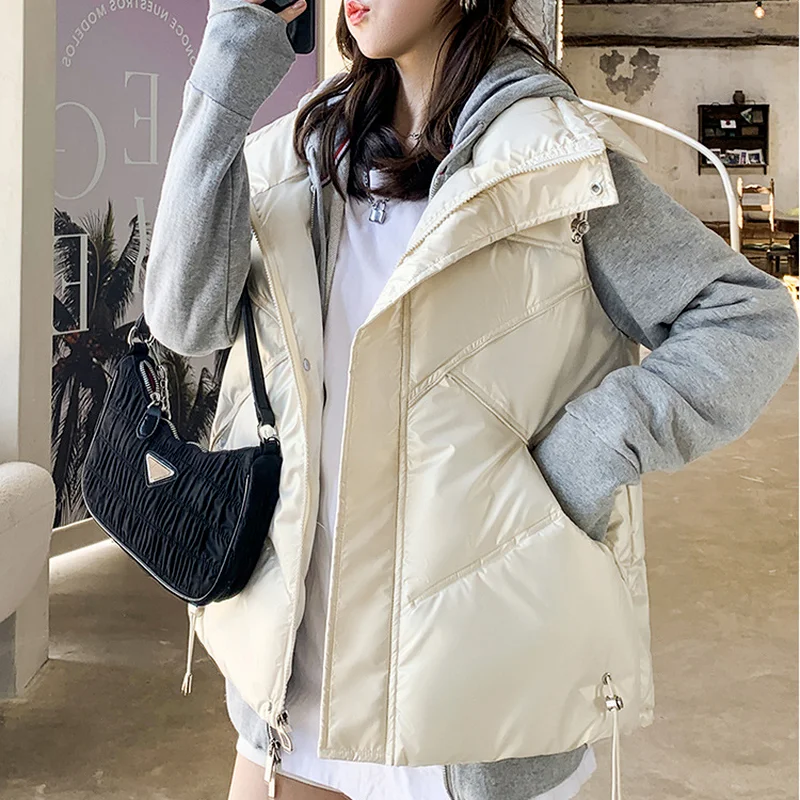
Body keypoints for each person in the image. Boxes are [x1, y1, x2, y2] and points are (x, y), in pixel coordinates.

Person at [142, 0, 799, 798]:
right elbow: (184, 320)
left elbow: (748, 320)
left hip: (472, 699)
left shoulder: (556, 160)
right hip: (292, 686)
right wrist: (233, 57)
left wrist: (587, 452)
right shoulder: (298, 159)